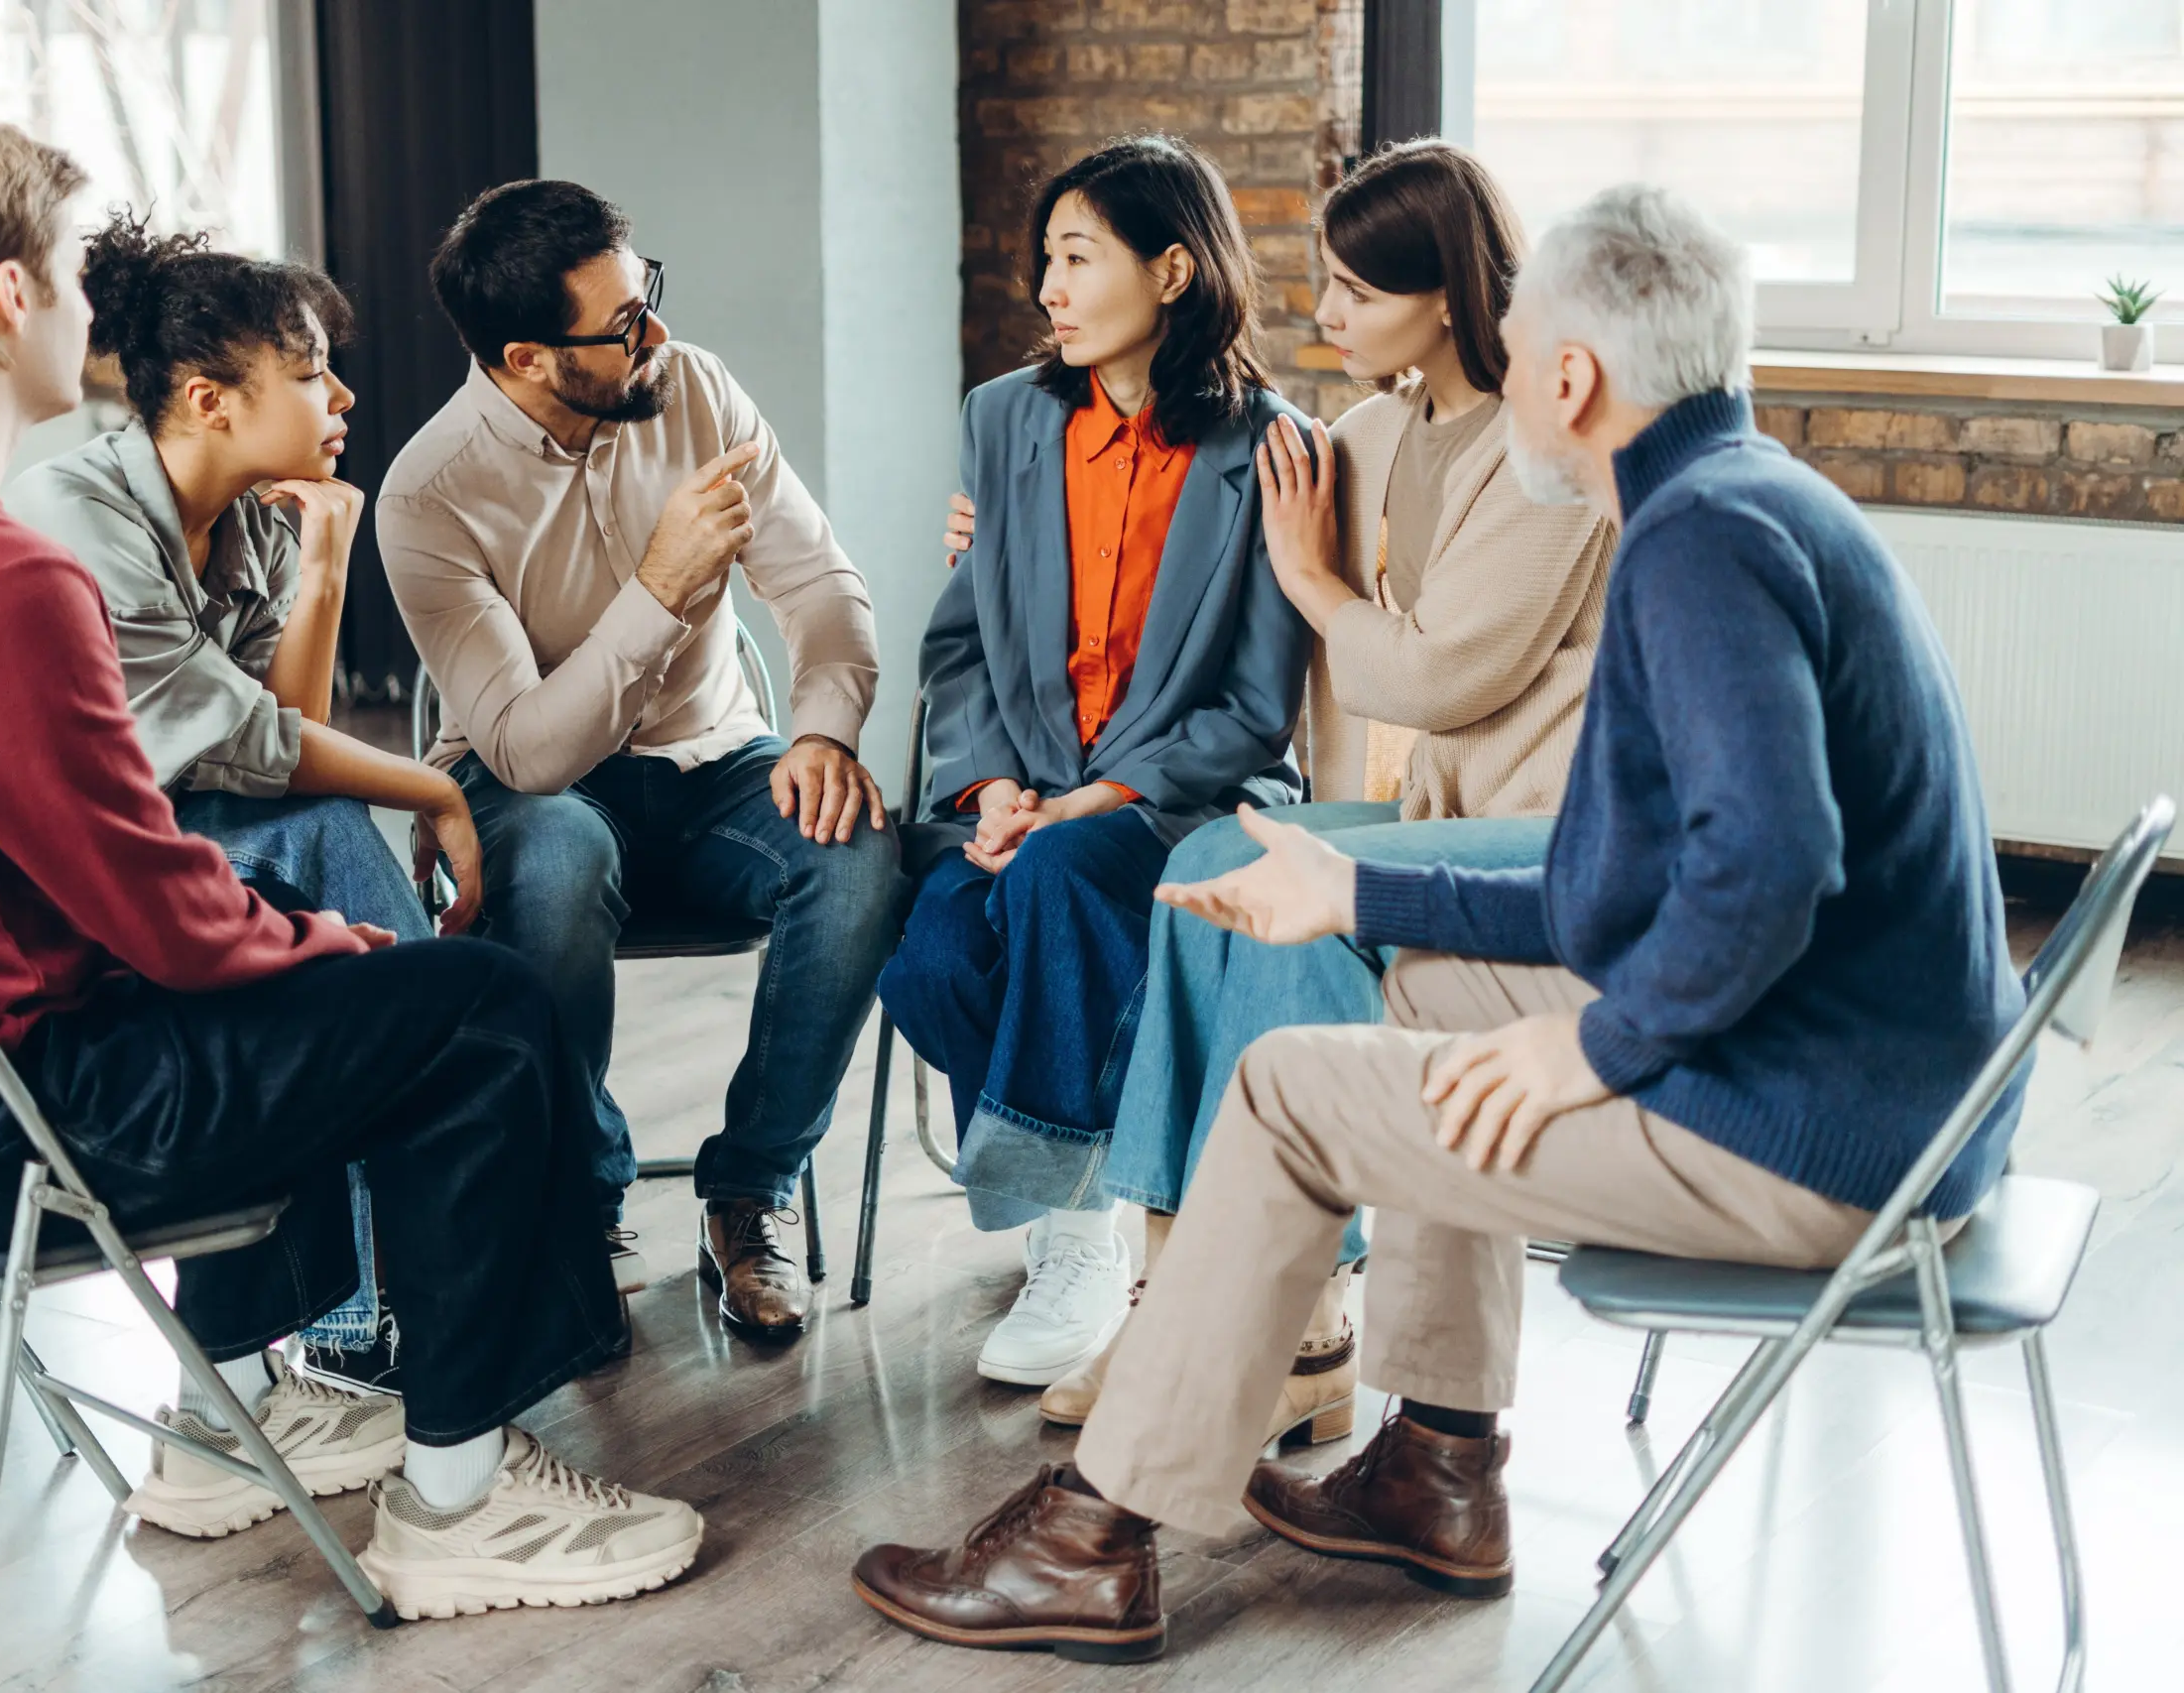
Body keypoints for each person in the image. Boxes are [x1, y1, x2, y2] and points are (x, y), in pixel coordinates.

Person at [849, 182, 2027, 1662]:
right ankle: (1440, 1460)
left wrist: (1596, 1044)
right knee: (1442, 981)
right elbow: (1619, 878)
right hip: (1884, 1092)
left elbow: (1770, 870)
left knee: (1290, 1089)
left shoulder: (1699, 545)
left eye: (1518, 341)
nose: (1497, 365)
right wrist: (1360, 888)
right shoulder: (1742, 498)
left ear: (1573, 378)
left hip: (1831, 1139)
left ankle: (1095, 1531)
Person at [0, 114, 702, 1621]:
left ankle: (227, 1420)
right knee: (474, 1013)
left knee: (286, 960)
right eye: (76, 278)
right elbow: (170, 924)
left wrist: (293, 938)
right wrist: (359, 956)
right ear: (13, 299)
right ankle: (463, 1496)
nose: (100, 312)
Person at [977, 142, 1617, 1446]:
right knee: (1214, 862)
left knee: (1295, 900)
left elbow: (1435, 676)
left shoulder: (1549, 450)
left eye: (1352, 292)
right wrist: (1007, 548)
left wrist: (1311, 577)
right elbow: (1312, 662)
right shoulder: (1377, 430)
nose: (1320, 315)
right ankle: (1182, 1288)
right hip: (1440, 821)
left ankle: (1281, 1311)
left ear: (1445, 295)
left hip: (1560, 830)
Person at [378, 180, 903, 1338]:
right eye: (618, 327)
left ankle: (749, 1188)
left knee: (861, 845)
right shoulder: (428, 494)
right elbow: (526, 748)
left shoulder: (694, 389)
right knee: (557, 855)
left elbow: (817, 585)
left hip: (718, 766)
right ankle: (582, 1194)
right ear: (524, 357)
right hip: (534, 787)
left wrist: (819, 728)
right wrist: (660, 588)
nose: (652, 334)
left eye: (645, 295)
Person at [9, 211, 488, 1391]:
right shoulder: (79, 512)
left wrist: (323, 563)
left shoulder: (251, 520)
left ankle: (381, 1296)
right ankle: (415, 1259)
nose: (343, 397)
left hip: (190, 832)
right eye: (312, 370)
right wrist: (433, 786)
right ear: (212, 399)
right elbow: (244, 741)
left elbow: (288, 734)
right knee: (341, 859)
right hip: (78, 878)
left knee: (325, 841)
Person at [876, 135, 1312, 1392]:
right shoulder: (1004, 421)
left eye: (1078, 259)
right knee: (941, 952)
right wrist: (991, 788)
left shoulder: (1268, 448)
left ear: (1173, 269)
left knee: (1057, 877)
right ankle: (1087, 1214)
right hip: (1023, 799)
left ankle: (1072, 1246)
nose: (1049, 290)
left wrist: (1093, 797)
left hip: (1181, 799)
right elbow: (958, 647)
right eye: (1045, 262)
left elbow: (1252, 706)